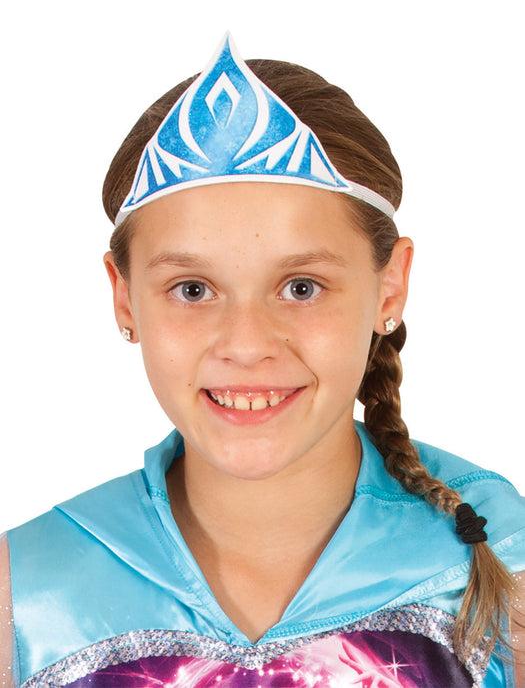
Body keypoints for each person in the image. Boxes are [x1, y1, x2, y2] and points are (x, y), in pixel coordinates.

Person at [1, 35, 524, 688]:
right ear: (124, 296)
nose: (246, 344)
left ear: (389, 287)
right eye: (193, 290)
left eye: (301, 287)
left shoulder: (499, 560)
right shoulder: (26, 597)